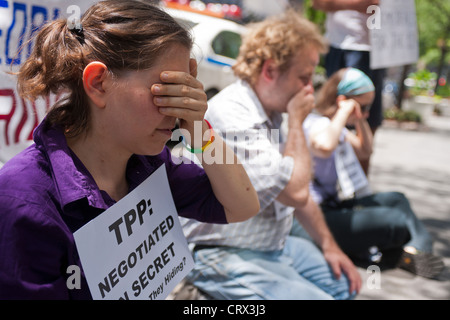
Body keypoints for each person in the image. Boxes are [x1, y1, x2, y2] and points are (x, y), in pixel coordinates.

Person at [0, 0, 260, 299]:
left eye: (186, 91)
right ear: (98, 83)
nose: (178, 110)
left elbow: (241, 205)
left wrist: (200, 131)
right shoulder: (22, 199)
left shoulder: (147, 162)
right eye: (167, 90)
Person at [179, 10, 362, 300]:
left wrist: (330, 245)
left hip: (271, 245)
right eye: (303, 78)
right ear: (270, 71)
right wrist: (298, 122)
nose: (309, 90)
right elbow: (297, 191)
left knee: (346, 286)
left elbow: (293, 190)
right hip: (218, 252)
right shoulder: (234, 115)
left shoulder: (273, 111)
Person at [302, 67, 444, 278]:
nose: (367, 112)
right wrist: (343, 111)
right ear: (342, 100)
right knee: (394, 221)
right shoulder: (314, 124)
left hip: (335, 206)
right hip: (314, 218)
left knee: (397, 199)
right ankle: (400, 254)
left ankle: (415, 252)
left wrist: (359, 118)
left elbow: (365, 149)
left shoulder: (336, 128)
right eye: (364, 106)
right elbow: (324, 146)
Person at [312, 0, 384, 175]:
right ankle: (327, 174)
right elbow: (319, 3)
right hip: (339, 46)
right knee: (332, 115)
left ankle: (359, 186)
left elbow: (375, 4)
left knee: (364, 118)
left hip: (370, 49)